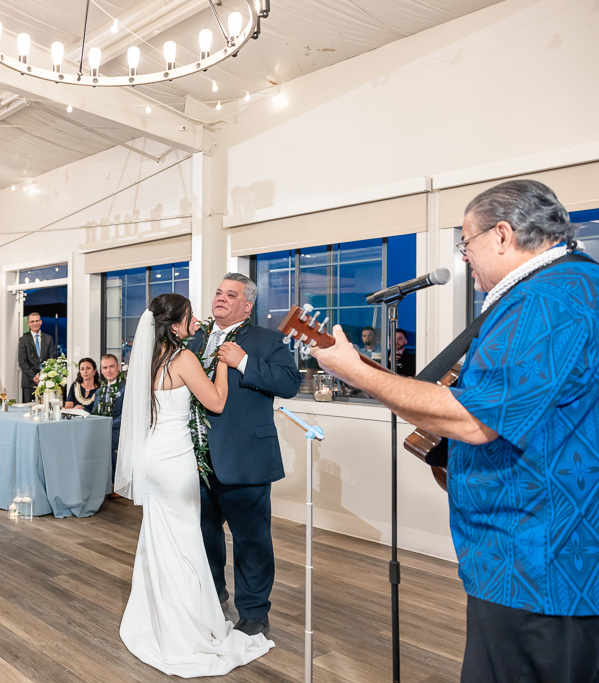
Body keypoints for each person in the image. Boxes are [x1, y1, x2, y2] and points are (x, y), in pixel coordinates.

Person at [311, 179, 599, 681]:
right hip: (538, 549)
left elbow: (475, 418)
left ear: (503, 235)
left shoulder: (544, 300)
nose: (464, 255)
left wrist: (357, 373)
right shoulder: (568, 286)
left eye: (466, 241)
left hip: (535, 559)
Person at [117, 293, 273, 676]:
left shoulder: (149, 358)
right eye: (189, 317)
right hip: (174, 459)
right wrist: (221, 362)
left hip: (151, 455)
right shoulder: (183, 358)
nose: (195, 322)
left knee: (159, 539)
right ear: (175, 326)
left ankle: (158, 617)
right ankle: (185, 625)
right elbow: (217, 402)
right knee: (185, 540)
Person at [190, 273, 302, 638]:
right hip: (196, 458)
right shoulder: (196, 339)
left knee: (252, 540)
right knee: (204, 534)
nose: (220, 298)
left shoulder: (268, 340)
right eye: (218, 292)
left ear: (248, 305)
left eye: (231, 294)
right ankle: (213, 594)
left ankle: (254, 612)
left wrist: (242, 362)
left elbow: (289, 384)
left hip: (246, 456)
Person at [93, 354, 125, 488]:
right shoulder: (100, 391)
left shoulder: (125, 389)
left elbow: (126, 414)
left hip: (120, 429)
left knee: (108, 442)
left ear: (118, 368)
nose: (108, 370)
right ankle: (97, 482)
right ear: (101, 371)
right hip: (103, 429)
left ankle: (116, 484)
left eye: (111, 366)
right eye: (105, 368)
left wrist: (108, 425)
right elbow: (95, 413)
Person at [17, 312, 59, 402]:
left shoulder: (49, 339)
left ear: (41, 322)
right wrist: (34, 376)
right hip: (29, 381)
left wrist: (43, 375)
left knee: (46, 408)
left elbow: (52, 360)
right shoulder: (23, 339)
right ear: (28, 324)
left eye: (37, 321)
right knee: (28, 411)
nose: (35, 323)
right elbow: (22, 361)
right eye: (32, 321)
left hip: (46, 381)